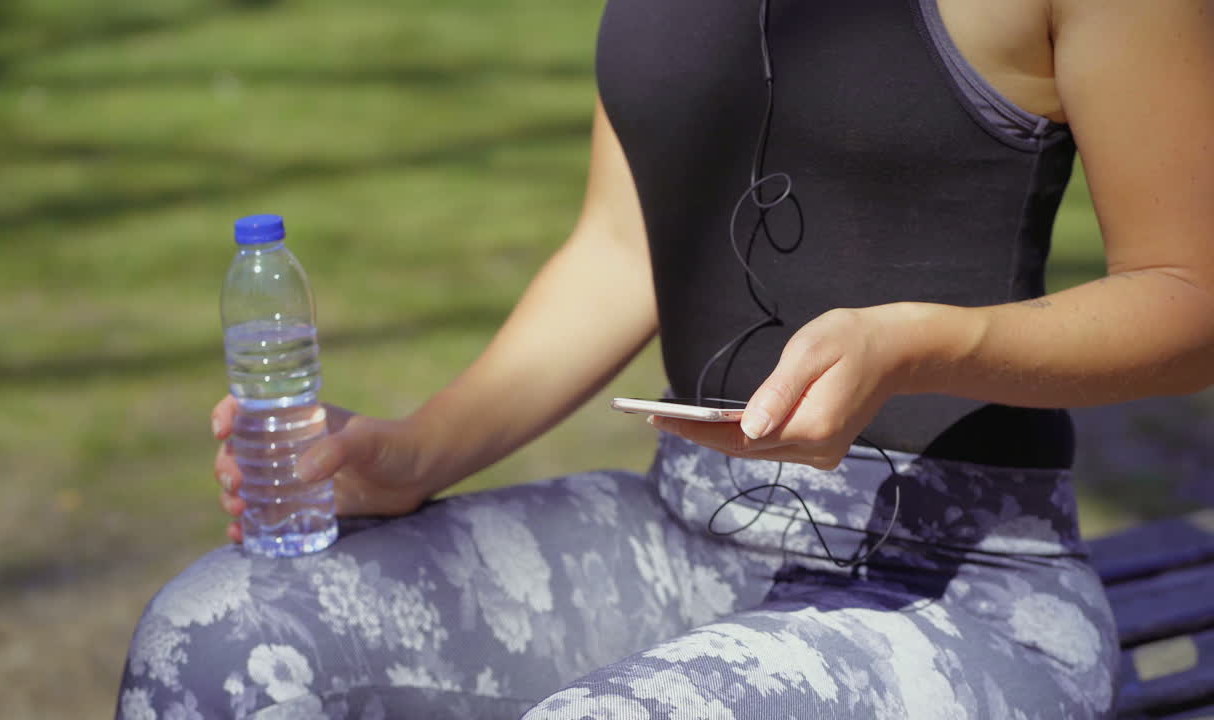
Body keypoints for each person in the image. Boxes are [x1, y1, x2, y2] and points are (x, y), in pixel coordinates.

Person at [117, 0, 1214, 717]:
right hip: (678, 527)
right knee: (211, 638)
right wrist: (412, 453)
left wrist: (923, 343)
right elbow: (619, 247)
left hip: (965, 582)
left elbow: (1190, 300)